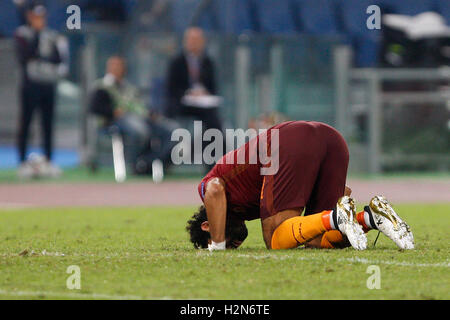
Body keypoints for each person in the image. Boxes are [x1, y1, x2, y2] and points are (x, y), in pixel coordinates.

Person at [186, 121, 415, 251]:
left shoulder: (211, 189)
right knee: (317, 239)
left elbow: (214, 189)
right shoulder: (245, 204)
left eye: (229, 243)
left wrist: (216, 246)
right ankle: (371, 217)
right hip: (331, 139)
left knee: (275, 238)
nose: (234, 245)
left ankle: (338, 218)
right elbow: (344, 192)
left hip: (287, 142)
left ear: (208, 226)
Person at [89, 56, 177, 177]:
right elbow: (95, 108)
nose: (115, 68)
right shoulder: (102, 86)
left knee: (173, 131)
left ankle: (148, 161)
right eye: (112, 65)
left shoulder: (129, 87)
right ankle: (137, 164)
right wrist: (113, 112)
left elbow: (140, 106)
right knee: (140, 131)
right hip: (116, 121)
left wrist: (151, 114)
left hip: (141, 118)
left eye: (118, 65)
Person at [15, 2, 69, 178]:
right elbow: (25, 56)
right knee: (26, 123)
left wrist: (42, 56)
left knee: (48, 124)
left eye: (42, 16)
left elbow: (57, 58)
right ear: (30, 17)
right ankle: (22, 162)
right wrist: (37, 35)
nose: (40, 20)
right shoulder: (22, 34)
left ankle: (48, 160)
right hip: (30, 86)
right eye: (37, 16)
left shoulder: (52, 36)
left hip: (47, 85)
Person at [166, 27, 223, 171]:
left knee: (214, 123)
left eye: (197, 40)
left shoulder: (207, 62)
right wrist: (188, 93)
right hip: (182, 106)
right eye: (191, 40)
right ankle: (173, 158)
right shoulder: (177, 62)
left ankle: (213, 165)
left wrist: (203, 93)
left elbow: (213, 87)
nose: (194, 43)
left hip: (203, 107)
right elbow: (171, 89)